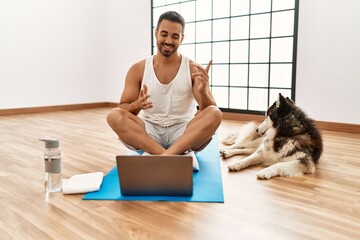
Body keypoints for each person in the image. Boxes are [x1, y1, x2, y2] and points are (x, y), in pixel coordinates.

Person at [107, 11, 222, 157]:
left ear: (182, 39)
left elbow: (208, 110)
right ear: (156, 34)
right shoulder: (138, 69)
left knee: (215, 114)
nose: (168, 40)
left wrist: (204, 90)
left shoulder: (193, 68)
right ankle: (169, 156)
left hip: (183, 133)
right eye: (164, 34)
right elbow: (123, 108)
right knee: (114, 115)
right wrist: (137, 105)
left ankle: (164, 156)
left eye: (175, 36)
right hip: (150, 133)